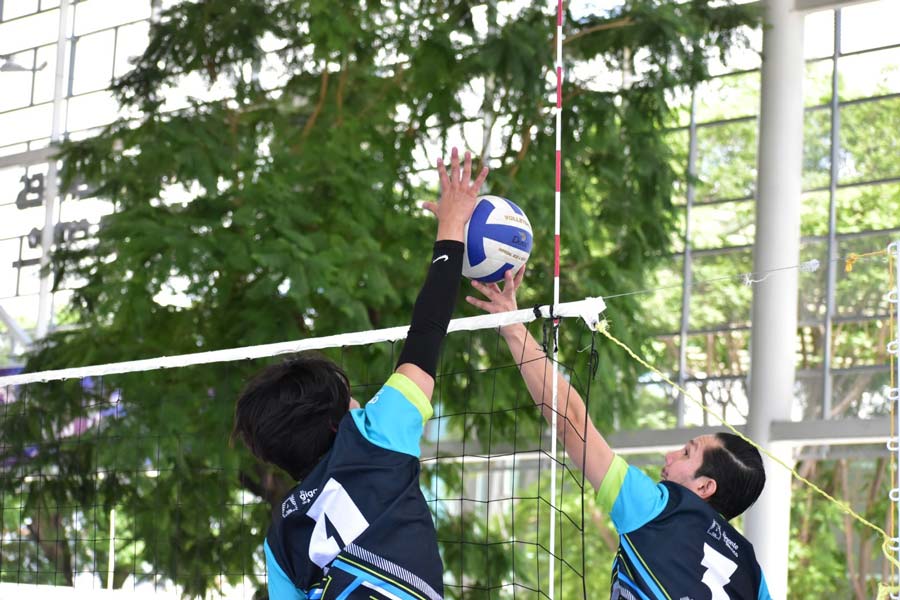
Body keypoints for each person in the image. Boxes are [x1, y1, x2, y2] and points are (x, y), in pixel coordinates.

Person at [232, 147, 487, 600]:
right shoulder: (374, 437)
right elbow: (428, 328)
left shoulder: (280, 538)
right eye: (350, 399)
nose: (359, 403)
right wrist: (452, 226)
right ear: (339, 423)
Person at [466, 267, 773, 600]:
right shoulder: (752, 574)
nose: (668, 456)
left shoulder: (660, 510)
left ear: (704, 486)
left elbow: (571, 421)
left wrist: (512, 325)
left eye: (686, 452)